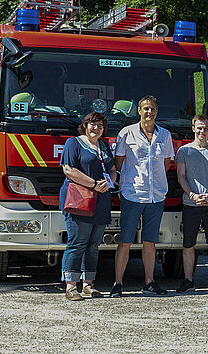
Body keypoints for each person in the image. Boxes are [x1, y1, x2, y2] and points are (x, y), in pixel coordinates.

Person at [112, 95, 174, 297]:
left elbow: (166, 164)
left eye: (153, 109)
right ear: (139, 111)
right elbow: (119, 163)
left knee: (150, 242)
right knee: (125, 241)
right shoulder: (126, 133)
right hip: (132, 194)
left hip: (156, 195)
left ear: (157, 111)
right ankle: (118, 283)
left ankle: (149, 282)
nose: (149, 112)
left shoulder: (164, 135)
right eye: (146, 108)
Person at [59, 112, 115, 301]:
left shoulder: (104, 145)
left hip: (101, 201)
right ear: (85, 125)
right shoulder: (73, 143)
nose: (96, 128)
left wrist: (109, 182)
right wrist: (93, 184)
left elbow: (112, 169)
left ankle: (88, 285)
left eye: (100, 126)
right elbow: (68, 169)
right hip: (79, 200)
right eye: (93, 124)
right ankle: (70, 287)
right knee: (77, 243)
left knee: (93, 246)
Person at [173, 114, 208, 294]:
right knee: (188, 244)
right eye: (199, 128)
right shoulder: (184, 151)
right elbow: (181, 176)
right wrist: (192, 195)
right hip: (191, 204)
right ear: (193, 129)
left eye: (206, 128)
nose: (203, 131)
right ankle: (188, 280)